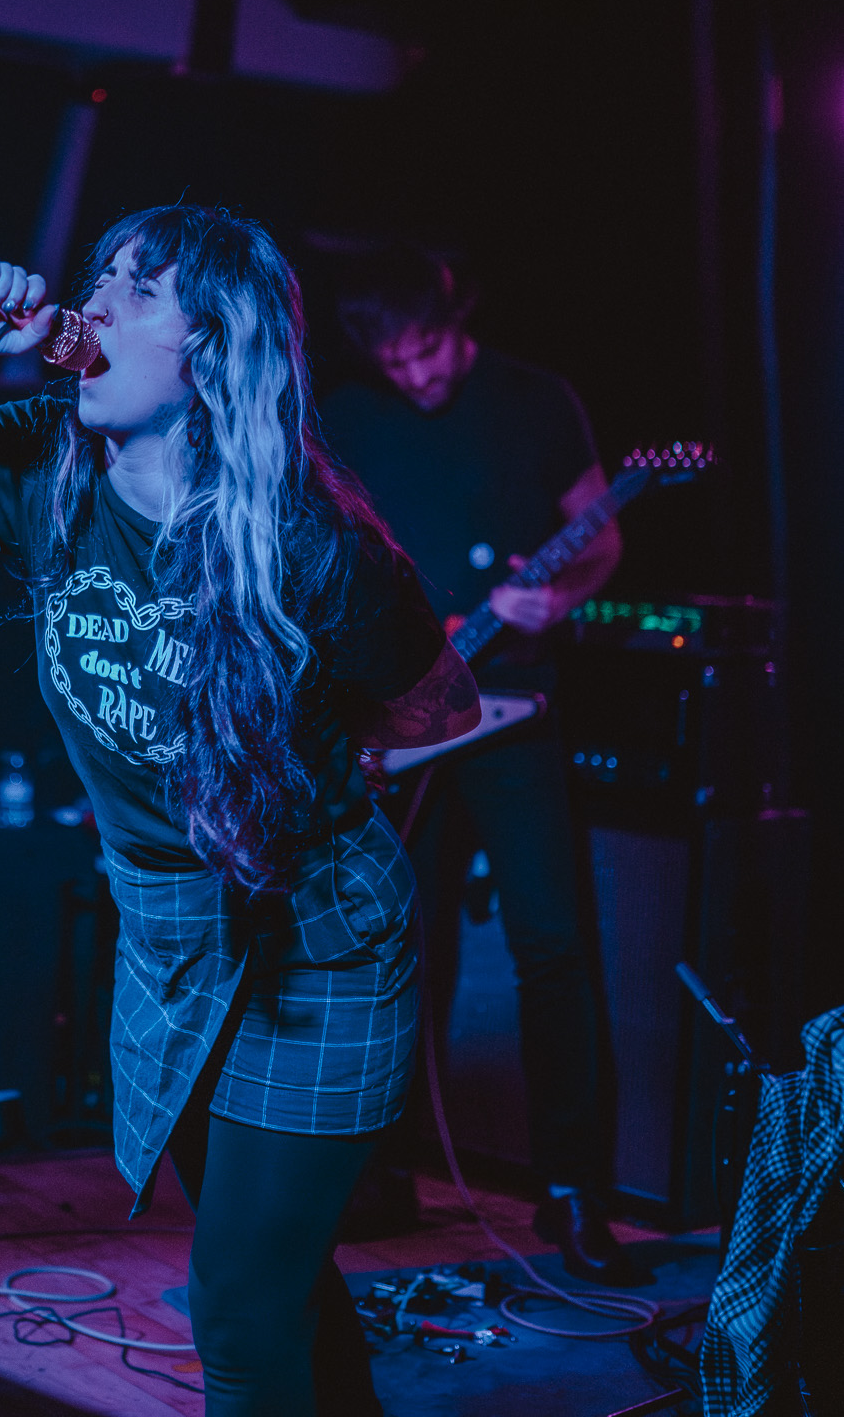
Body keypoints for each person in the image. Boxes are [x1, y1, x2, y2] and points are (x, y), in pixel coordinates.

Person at [0, 206, 479, 1416]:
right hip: (168, 929)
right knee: (278, 1278)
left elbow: (440, 707)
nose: (92, 302)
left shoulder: (314, 543)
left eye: (137, 288)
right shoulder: (42, 463)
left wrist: (305, 756)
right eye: (97, 276)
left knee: (239, 1313)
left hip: (319, 939)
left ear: (212, 346)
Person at [320, 242, 635, 1283]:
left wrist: (559, 596)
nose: (414, 374)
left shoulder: (537, 401)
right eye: (393, 360)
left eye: (426, 350)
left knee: (553, 945)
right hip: (403, 721)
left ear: (457, 317)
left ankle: (574, 1190)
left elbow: (597, 536)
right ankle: (383, 1173)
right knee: (399, 950)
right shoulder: (349, 417)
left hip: (515, 713)